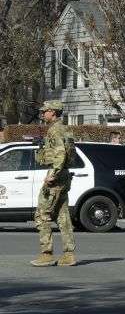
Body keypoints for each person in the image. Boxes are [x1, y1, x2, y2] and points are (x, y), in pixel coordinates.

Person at [30, 100, 77, 267]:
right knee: (62, 216)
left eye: (46, 111)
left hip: (56, 176)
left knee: (42, 215)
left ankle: (46, 254)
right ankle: (69, 254)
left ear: (54, 112)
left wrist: (53, 174)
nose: (43, 114)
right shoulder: (65, 128)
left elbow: (60, 153)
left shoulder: (55, 130)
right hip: (64, 176)